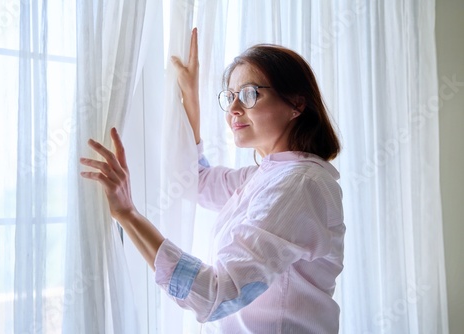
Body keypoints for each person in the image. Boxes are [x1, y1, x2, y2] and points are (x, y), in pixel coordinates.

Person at [80, 28, 344, 334]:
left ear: (297, 104)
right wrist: (189, 101)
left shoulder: (300, 184)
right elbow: (197, 181)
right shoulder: (269, 175)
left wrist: (128, 215)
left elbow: (217, 295)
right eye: (229, 96)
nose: (233, 109)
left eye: (250, 94)